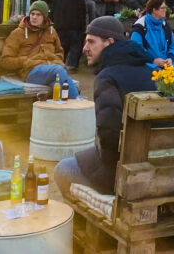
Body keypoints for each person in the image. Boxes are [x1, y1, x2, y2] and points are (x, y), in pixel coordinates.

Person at [53, 17, 154, 195]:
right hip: (158, 167)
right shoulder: (154, 73)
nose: (85, 49)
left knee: (63, 168)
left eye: (91, 42)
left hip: (124, 174)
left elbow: (110, 138)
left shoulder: (107, 77)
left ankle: (83, 221)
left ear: (109, 42)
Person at [0, 0, 79, 98]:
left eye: (38, 14)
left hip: (51, 70)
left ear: (44, 17)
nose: (34, 17)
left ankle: (69, 110)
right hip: (31, 72)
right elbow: (5, 61)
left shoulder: (51, 31)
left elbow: (59, 51)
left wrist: (56, 59)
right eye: (32, 14)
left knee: (59, 88)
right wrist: (26, 61)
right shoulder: (18, 33)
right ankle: (79, 102)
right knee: (58, 70)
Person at [131, 0, 174, 70]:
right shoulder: (140, 27)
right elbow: (136, 50)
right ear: (154, 10)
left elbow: (173, 45)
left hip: (166, 62)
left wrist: (170, 58)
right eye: (162, 8)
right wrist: (153, 60)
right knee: (157, 75)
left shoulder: (164, 25)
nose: (165, 10)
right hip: (147, 63)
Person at [52, 0, 87, 71]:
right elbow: (82, 11)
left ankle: (60, 63)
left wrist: (54, 23)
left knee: (62, 46)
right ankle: (72, 65)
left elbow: (53, 9)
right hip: (75, 26)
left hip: (60, 26)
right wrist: (83, 27)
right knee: (76, 46)